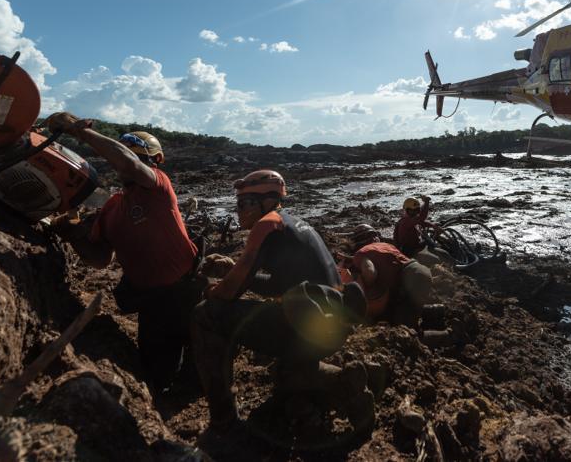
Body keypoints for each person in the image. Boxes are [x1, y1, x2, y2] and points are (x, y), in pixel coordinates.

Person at [190, 169, 365, 425]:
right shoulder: (292, 223)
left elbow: (230, 292)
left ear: (267, 201)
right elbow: (277, 284)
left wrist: (212, 289)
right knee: (285, 374)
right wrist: (232, 270)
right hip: (328, 327)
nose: (238, 210)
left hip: (306, 326)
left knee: (205, 314)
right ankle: (343, 383)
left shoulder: (266, 225)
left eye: (244, 203)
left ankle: (224, 418)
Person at [45, 113, 200, 394]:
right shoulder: (112, 208)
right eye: (131, 156)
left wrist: (80, 132)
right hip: (154, 302)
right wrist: (71, 233)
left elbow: (126, 161)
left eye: (142, 158)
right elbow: (100, 259)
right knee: (158, 375)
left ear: (155, 162)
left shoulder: (159, 187)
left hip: (188, 290)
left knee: (201, 362)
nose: (132, 164)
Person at [343, 227, 432, 327]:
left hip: (410, 279)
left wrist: (364, 291)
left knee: (404, 325)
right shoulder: (385, 245)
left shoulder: (360, 254)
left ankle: (427, 337)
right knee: (412, 312)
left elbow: (370, 272)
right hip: (419, 270)